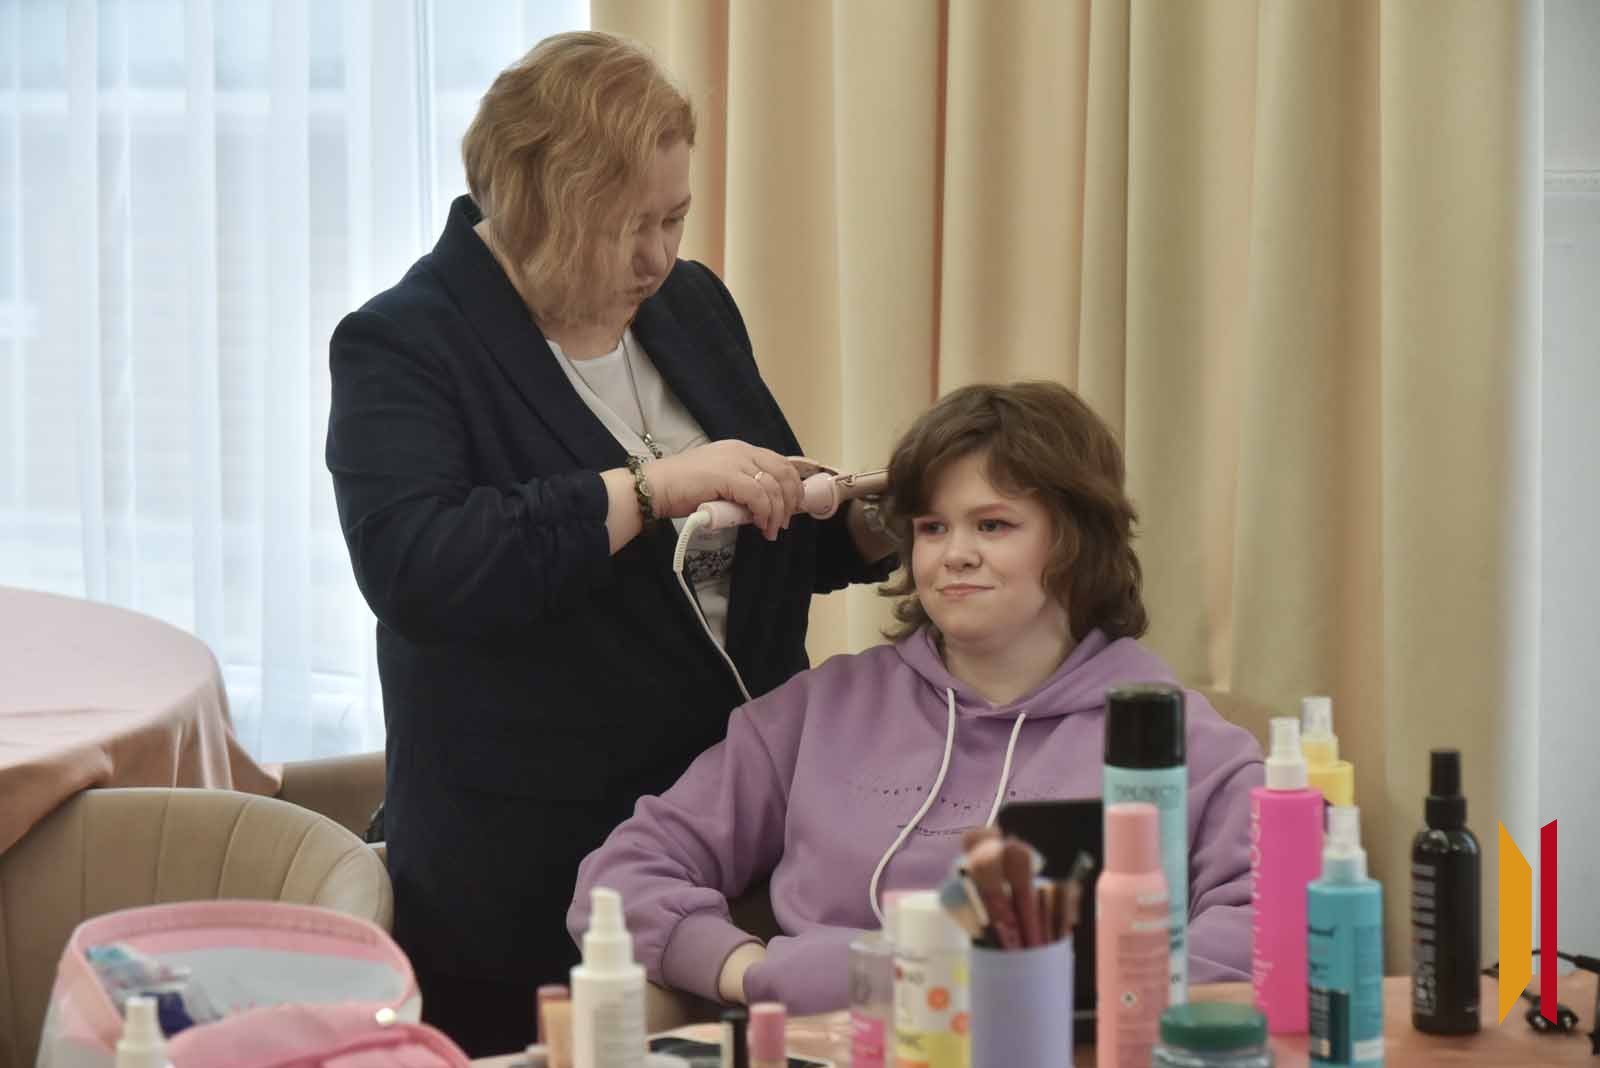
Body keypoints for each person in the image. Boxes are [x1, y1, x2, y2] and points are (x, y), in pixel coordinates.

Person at [325, 32, 895, 1055]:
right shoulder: (404, 344)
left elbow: (751, 538)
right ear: (535, 208)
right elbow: (421, 569)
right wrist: (646, 488)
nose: (658, 257)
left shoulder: (691, 306)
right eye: (628, 226)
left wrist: (869, 517)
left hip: (739, 844)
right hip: (529, 877)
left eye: (674, 218)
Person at [568, 381, 1264, 1013]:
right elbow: (625, 874)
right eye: (932, 527)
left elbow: (1262, 914)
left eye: (992, 525)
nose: (954, 553)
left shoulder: (1171, 733)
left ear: (1076, 541)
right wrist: (754, 973)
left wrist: (1099, 999)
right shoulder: (820, 710)